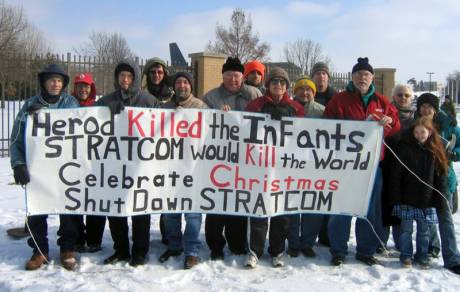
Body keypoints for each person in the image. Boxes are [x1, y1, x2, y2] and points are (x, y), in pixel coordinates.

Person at [323, 57, 400, 266]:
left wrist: (389, 123)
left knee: (369, 208)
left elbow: (396, 125)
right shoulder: (340, 100)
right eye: (358, 75)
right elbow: (327, 124)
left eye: (365, 75)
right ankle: (338, 249)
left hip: (372, 164)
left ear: (372, 77)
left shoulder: (382, 101)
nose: (362, 78)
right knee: (341, 206)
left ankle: (365, 250)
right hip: (345, 165)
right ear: (352, 77)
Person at [10, 63, 80, 270]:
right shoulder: (30, 105)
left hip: (65, 169)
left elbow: (83, 133)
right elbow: (16, 138)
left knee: (68, 211)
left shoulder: (71, 104)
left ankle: (67, 248)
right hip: (37, 170)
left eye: (59, 80)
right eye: (51, 80)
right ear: (43, 82)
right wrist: (18, 164)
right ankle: (39, 251)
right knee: (36, 211)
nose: (55, 84)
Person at [96, 59, 160, 267]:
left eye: (129, 76)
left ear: (134, 78)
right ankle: (121, 249)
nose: (125, 80)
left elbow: (164, 128)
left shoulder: (149, 101)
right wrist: (104, 113)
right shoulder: (106, 101)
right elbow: (87, 122)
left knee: (140, 209)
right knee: (116, 210)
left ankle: (140, 251)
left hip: (141, 166)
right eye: (121, 76)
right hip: (114, 165)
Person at [244, 67, 304, 268]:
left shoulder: (296, 108)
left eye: (282, 82)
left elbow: (302, 136)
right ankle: (255, 251)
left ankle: (277, 251)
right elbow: (244, 130)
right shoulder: (256, 105)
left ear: (287, 86)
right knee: (259, 209)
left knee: (281, 211)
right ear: (267, 85)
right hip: (259, 166)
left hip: (285, 166)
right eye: (274, 82)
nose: (278, 85)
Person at [202, 57, 261, 260]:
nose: (233, 79)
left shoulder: (254, 94)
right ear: (223, 76)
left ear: (242, 76)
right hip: (218, 160)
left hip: (245, 159)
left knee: (239, 202)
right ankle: (215, 245)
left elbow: (264, 118)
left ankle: (237, 243)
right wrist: (216, 117)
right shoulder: (211, 97)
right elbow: (201, 124)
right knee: (216, 202)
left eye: (236, 75)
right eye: (229, 75)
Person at [158, 72, 208, 269]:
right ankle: (173, 245)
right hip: (170, 168)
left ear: (191, 86)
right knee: (170, 212)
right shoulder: (164, 108)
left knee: (193, 213)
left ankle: (192, 251)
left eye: (186, 82)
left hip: (193, 169)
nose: (182, 85)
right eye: (178, 82)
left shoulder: (201, 107)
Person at [389, 117, 449, 268]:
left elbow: (440, 177)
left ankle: (422, 255)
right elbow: (396, 175)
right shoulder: (405, 148)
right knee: (405, 230)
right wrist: (395, 196)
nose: (419, 135)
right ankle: (406, 255)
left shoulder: (435, 151)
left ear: (429, 132)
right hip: (407, 198)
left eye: (423, 132)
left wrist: (440, 199)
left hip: (426, 200)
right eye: (416, 132)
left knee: (424, 231)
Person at [415, 93, 460, 275]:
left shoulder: (449, 124)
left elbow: (458, 145)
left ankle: (452, 257)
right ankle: (431, 247)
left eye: (429, 107)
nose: (426, 110)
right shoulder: (415, 125)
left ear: (435, 109)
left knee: (445, 217)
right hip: (423, 178)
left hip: (443, 178)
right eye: (422, 106)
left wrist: (454, 153)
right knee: (427, 217)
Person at [288, 76, 324, 258]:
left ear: (314, 92)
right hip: (291, 163)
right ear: (295, 92)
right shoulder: (288, 109)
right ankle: (293, 243)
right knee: (292, 205)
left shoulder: (321, 111)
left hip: (314, 164)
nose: (305, 92)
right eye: (301, 89)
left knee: (312, 206)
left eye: (309, 89)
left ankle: (308, 243)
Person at [71, 73, 106, 253]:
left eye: (86, 86)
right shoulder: (66, 107)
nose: (83, 90)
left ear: (91, 88)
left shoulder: (99, 107)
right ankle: (77, 238)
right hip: (73, 162)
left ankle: (94, 239)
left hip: (95, 162)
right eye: (79, 86)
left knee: (96, 201)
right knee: (74, 200)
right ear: (74, 89)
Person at [380, 84, 417, 252]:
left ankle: (401, 242)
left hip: (407, 171)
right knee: (384, 206)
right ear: (394, 97)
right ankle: (380, 241)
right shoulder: (386, 114)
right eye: (400, 95)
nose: (403, 98)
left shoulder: (416, 119)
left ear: (411, 98)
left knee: (402, 209)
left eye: (406, 95)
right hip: (387, 166)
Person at [141, 57, 173, 245]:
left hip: (168, 151)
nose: (156, 75)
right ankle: (142, 237)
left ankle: (167, 234)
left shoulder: (172, 94)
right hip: (145, 151)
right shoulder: (140, 94)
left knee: (166, 194)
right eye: (152, 72)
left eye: (160, 72)